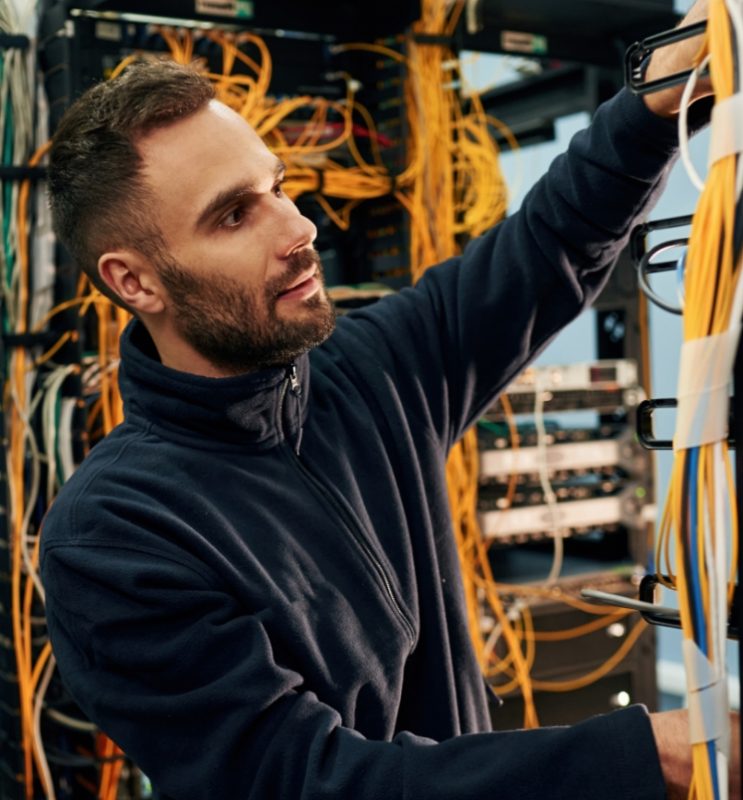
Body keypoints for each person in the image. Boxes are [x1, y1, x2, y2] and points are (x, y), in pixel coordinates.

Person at [40, 1, 737, 797]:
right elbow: (309, 781)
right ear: (134, 281)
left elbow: (545, 248)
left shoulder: (363, 371)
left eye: (278, 188)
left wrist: (653, 105)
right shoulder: (115, 540)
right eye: (235, 214)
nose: (297, 226)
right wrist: (656, 755)